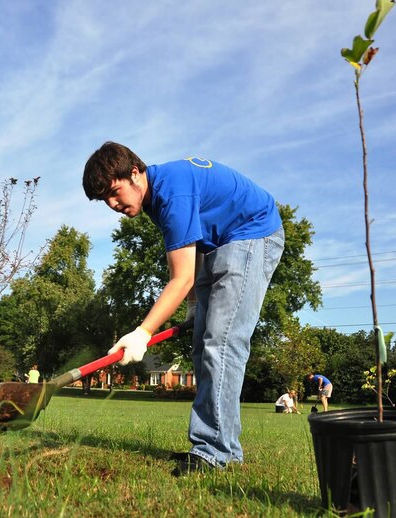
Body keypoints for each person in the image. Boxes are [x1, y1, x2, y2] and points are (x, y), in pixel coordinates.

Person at [83, 142, 284, 474]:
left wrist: (142, 333)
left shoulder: (171, 194)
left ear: (134, 174)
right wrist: (194, 306)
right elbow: (194, 248)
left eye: (115, 193)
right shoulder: (156, 198)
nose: (112, 204)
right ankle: (225, 449)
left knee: (222, 343)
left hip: (252, 234)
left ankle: (212, 452)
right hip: (219, 243)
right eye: (104, 200)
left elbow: (182, 276)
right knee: (202, 346)